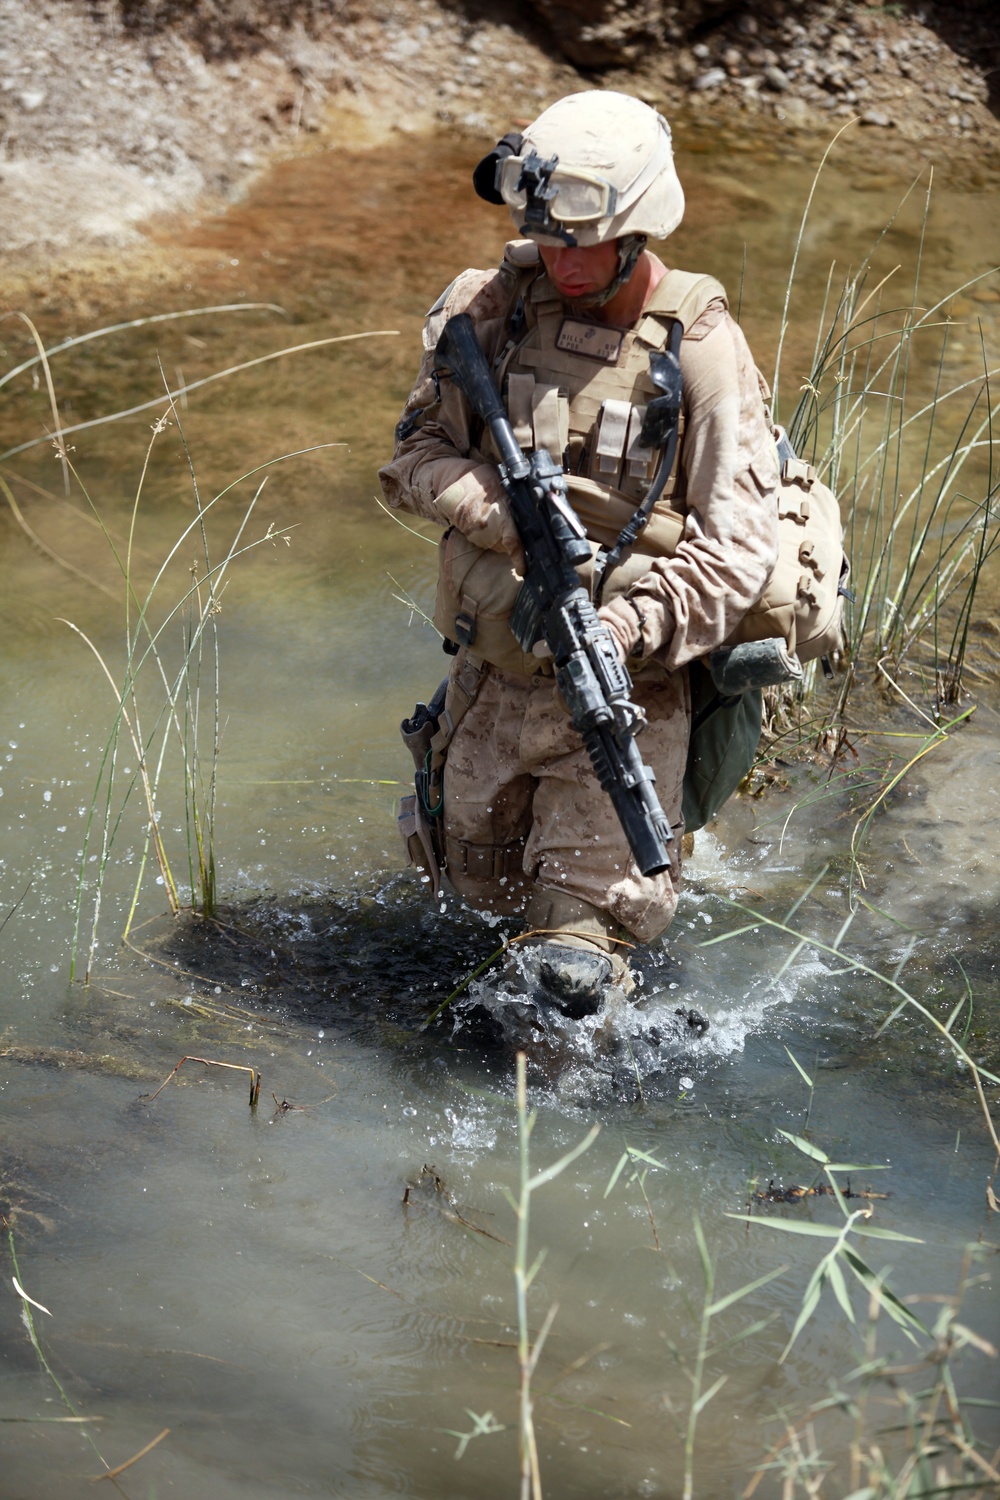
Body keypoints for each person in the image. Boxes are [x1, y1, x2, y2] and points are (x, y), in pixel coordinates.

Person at [379, 91, 779, 1018]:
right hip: (491, 683)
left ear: (638, 228)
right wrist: (506, 516)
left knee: (569, 978)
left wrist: (626, 623)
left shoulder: (701, 348)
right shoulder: (490, 308)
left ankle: (563, 1143)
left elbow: (737, 550)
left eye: (581, 241)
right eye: (545, 237)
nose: (559, 260)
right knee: (464, 923)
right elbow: (411, 459)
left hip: (625, 697)